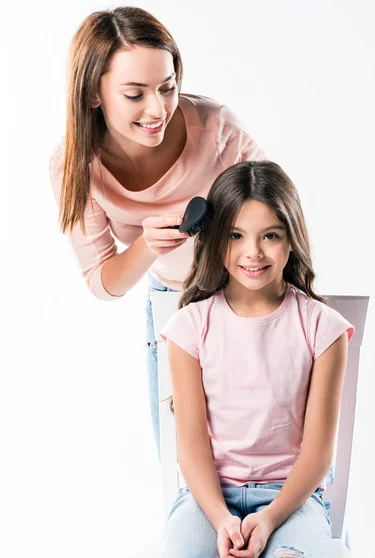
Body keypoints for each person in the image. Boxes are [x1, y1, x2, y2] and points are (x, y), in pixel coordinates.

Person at [49, 6, 266, 459]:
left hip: (250, 298)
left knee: (271, 454)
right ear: (93, 94)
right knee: (181, 461)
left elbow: (278, 224)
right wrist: (148, 245)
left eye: (167, 88)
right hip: (170, 303)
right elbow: (102, 282)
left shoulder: (220, 131)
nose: (157, 109)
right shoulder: (75, 166)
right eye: (134, 94)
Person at [155, 160, 355, 558]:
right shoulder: (190, 327)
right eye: (235, 235)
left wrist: (268, 519)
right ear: (216, 240)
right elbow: (191, 446)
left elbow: (318, 454)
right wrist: (223, 519)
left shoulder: (323, 328)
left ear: (291, 240)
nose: (254, 252)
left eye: (270, 235)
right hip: (209, 498)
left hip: (294, 500)